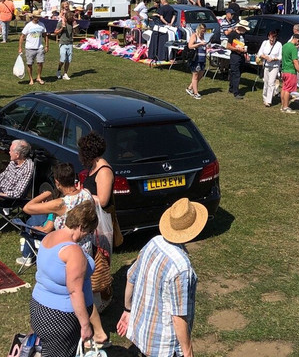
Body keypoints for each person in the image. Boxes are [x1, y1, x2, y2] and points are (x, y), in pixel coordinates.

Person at [116, 198, 206, 357]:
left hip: (145, 335)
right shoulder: (182, 268)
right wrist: (187, 351)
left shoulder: (154, 243)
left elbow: (131, 277)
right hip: (165, 346)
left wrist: (127, 309)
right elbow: (178, 315)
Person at [30, 199, 99, 357]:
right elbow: (75, 292)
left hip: (39, 307)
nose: (86, 237)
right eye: (88, 232)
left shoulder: (49, 237)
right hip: (61, 318)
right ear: (81, 227)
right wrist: (85, 325)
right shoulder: (73, 252)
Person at [78, 132, 118, 309]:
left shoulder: (104, 171)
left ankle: (103, 299)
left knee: (100, 260)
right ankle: (94, 297)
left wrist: (83, 194)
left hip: (102, 225)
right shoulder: (94, 167)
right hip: (92, 221)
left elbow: (103, 200)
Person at [20, 11, 49, 85]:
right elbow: (22, 36)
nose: (37, 18)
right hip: (29, 47)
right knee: (29, 64)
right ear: (33, 17)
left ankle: (38, 77)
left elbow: (45, 35)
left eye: (38, 17)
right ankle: (31, 79)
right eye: (36, 17)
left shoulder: (42, 25)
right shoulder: (28, 25)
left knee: (40, 63)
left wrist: (46, 45)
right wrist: (20, 47)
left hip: (39, 47)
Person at [257, 28, 283, 108]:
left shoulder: (279, 44)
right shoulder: (265, 43)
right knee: (266, 82)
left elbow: (280, 57)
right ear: (268, 37)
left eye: (273, 39)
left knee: (271, 83)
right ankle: (265, 97)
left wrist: (273, 59)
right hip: (266, 65)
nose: (272, 40)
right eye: (271, 38)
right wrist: (265, 57)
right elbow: (260, 53)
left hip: (274, 66)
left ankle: (268, 101)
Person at [226, 19, 250, 100]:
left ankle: (231, 88)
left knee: (235, 73)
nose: (245, 30)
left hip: (241, 56)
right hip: (235, 56)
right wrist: (237, 49)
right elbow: (228, 46)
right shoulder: (233, 34)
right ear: (240, 27)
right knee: (236, 74)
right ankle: (236, 92)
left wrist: (245, 54)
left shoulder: (243, 35)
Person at [186, 24, 210, 99]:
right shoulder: (194, 35)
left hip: (202, 57)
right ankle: (196, 93)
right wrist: (199, 44)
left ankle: (190, 88)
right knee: (195, 75)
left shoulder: (203, 36)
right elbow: (190, 46)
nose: (203, 32)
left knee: (201, 74)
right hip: (196, 58)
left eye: (204, 31)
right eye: (202, 31)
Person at [280, 32, 299, 113]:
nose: (298, 43)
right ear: (297, 40)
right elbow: (295, 61)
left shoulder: (285, 45)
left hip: (284, 70)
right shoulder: (293, 48)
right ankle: (286, 107)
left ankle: (282, 105)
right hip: (291, 71)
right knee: (288, 90)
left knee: (284, 88)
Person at [55, 10, 75, 81]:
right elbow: (55, 32)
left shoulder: (72, 24)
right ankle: (59, 70)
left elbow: (77, 32)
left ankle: (65, 73)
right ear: (66, 17)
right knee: (62, 59)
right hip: (63, 43)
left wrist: (75, 25)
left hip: (70, 43)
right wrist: (62, 28)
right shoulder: (60, 23)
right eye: (70, 18)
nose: (71, 19)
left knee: (68, 60)